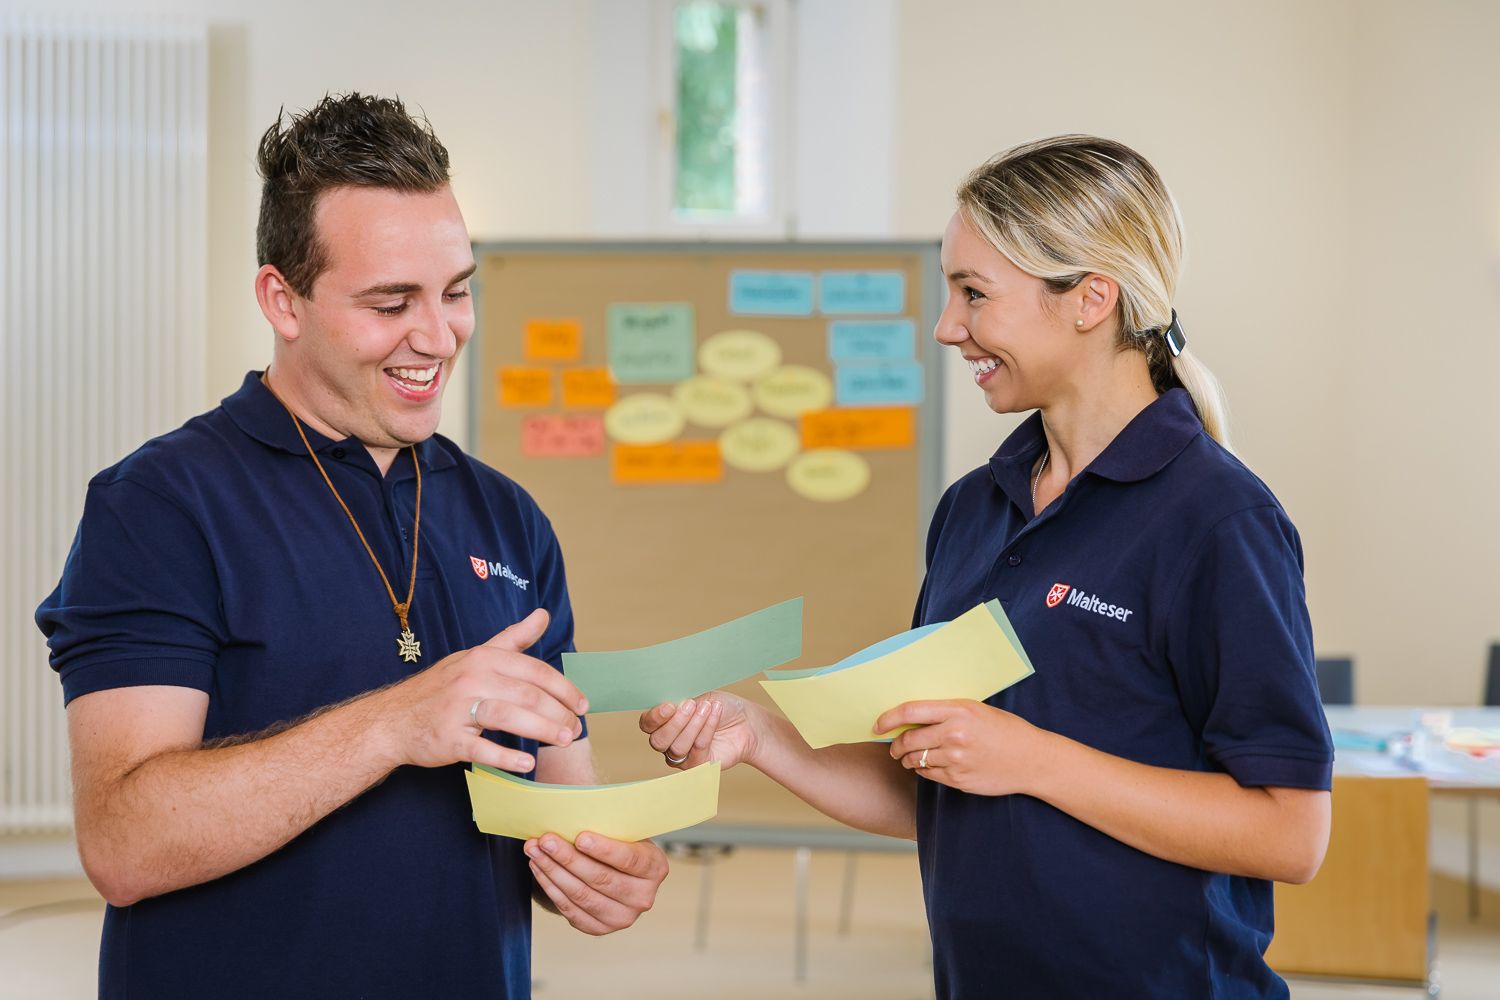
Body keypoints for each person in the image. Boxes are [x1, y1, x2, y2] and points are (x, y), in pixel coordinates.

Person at [642, 135, 1333, 999]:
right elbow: (940, 789)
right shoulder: (975, 508)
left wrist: (1033, 758)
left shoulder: (1219, 520)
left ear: (1090, 299)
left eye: (974, 293)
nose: (946, 327)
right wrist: (759, 737)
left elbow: (1290, 834)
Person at [36, 93, 667, 999]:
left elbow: (558, 805)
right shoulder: (160, 504)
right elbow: (124, 843)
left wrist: (598, 867)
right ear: (281, 300)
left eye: (455, 293)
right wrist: (398, 722)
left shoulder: (508, 516)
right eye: (389, 303)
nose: (436, 336)